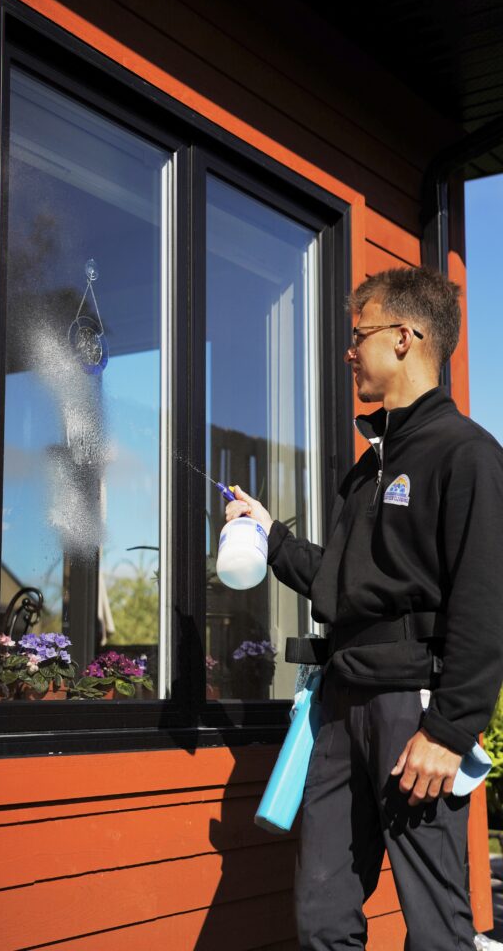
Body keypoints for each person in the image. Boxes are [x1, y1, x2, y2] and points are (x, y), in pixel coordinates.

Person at [225, 266, 503, 951]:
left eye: (360, 335)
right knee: (322, 916)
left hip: (412, 710)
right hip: (340, 705)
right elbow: (346, 584)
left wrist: (449, 729)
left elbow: (484, 599)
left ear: (406, 338)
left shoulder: (465, 455)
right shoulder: (369, 465)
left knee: (436, 929)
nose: (349, 351)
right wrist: (272, 538)